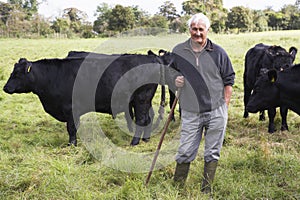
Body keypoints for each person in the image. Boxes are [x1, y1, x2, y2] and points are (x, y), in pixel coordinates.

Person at [171, 13, 235, 195]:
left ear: (207, 30)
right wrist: (175, 80)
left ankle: (206, 190)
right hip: (191, 111)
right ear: (189, 29)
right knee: (185, 150)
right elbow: (167, 74)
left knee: (212, 152)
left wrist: (225, 105)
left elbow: (229, 80)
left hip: (216, 110)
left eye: (201, 29)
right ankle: (177, 189)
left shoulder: (219, 53)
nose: (197, 33)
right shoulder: (178, 51)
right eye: (194, 29)